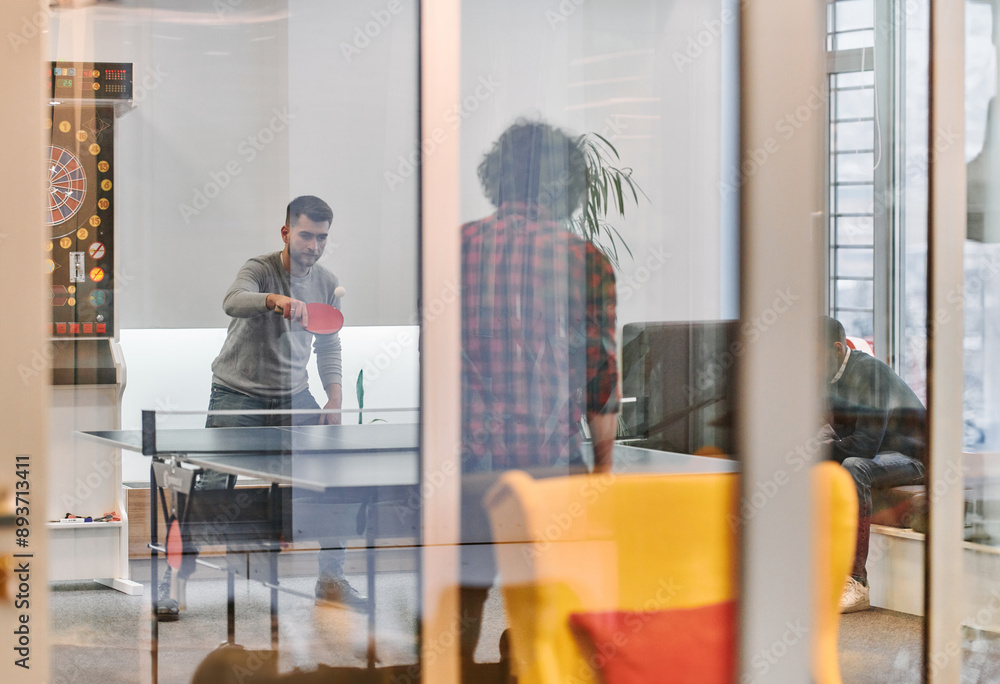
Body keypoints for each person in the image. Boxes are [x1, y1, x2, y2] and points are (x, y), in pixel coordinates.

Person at [459, 120, 621, 672]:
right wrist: (601, 471)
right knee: (549, 601)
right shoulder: (587, 261)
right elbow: (600, 380)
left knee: (461, 599)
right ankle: (525, 664)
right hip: (548, 466)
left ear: (498, 176)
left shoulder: (452, 250)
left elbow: (434, 361)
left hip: (468, 467)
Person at [157, 195, 364, 620]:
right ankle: (173, 582)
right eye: (305, 235)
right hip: (238, 393)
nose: (313, 246)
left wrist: (336, 397)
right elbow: (233, 300)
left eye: (322, 238)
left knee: (331, 475)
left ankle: (330, 579)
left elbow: (329, 343)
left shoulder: (327, 282)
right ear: (287, 232)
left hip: (294, 397)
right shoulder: (259, 268)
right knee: (209, 490)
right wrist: (275, 300)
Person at [822, 316, 926, 613]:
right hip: (883, 454)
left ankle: (857, 582)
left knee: (854, 466)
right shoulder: (828, 376)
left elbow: (865, 444)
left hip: (912, 457)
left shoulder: (868, 372)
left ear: (837, 349)